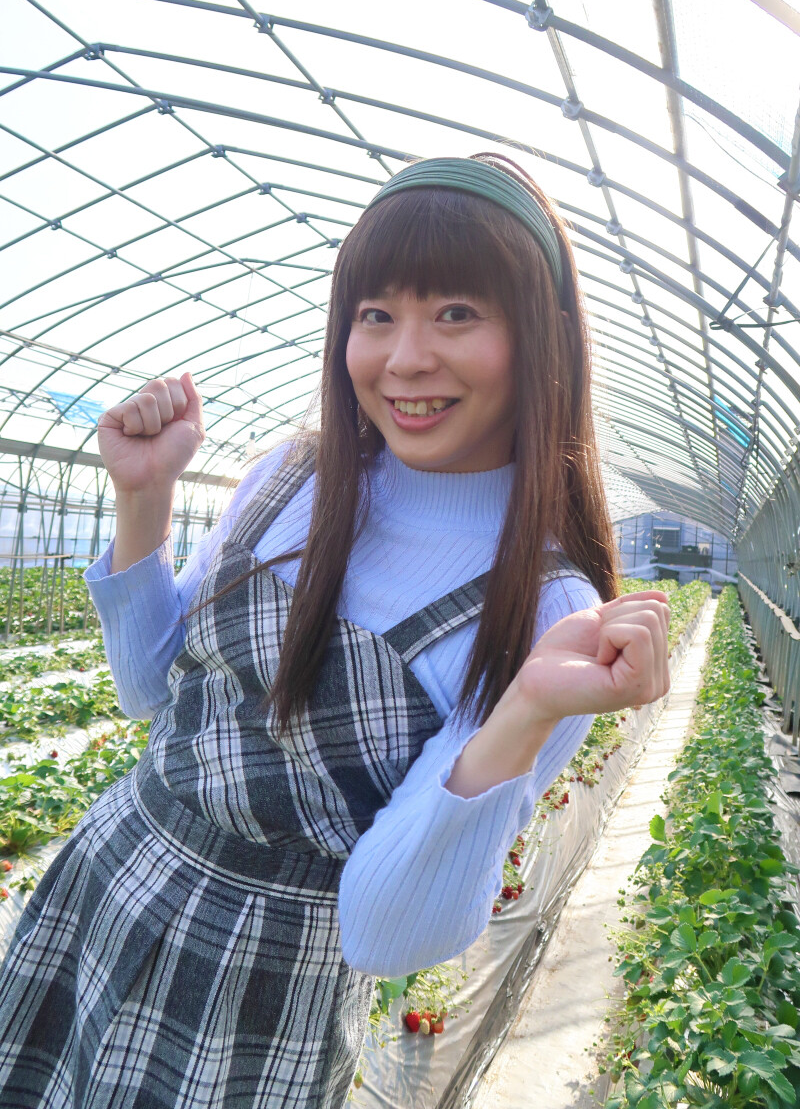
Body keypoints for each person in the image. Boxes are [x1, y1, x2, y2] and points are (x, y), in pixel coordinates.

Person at [0, 152, 669, 1108]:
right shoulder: (293, 475)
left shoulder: (546, 611)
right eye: (375, 314)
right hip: (105, 876)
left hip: (253, 993)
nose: (405, 358)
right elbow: (152, 692)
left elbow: (383, 933)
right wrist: (144, 498)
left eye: (457, 313)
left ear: (544, 337)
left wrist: (522, 711)